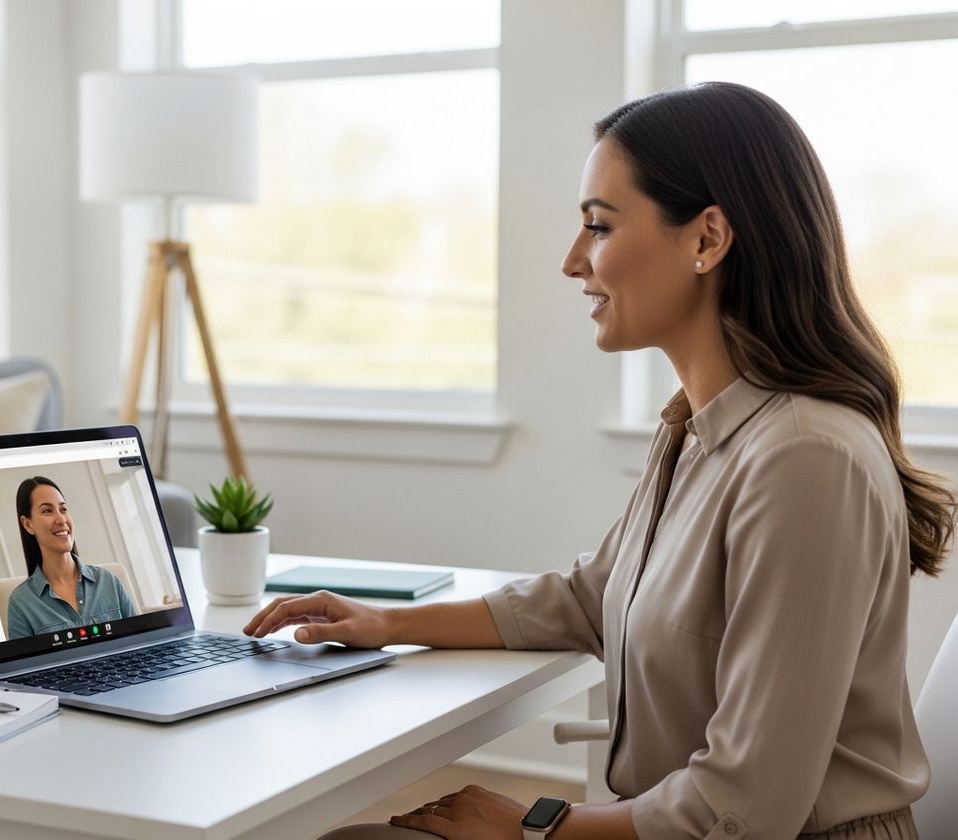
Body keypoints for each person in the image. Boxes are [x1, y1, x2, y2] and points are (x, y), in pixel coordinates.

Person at [244, 82, 956, 840]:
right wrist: (387, 620)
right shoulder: (698, 429)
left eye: (598, 227)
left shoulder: (805, 459)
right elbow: (592, 597)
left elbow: (745, 805)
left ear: (707, 240)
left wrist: (535, 826)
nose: (572, 261)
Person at [6, 476, 138, 640]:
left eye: (63, 509)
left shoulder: (108, 581)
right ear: (28, 524)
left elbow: (141, 642)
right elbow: (27, 665)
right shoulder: (21, 603)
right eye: (47, 510)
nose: (61, 519)